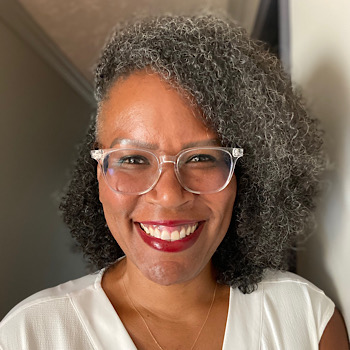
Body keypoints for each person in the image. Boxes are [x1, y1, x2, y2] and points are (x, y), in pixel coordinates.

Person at [0, 14, 348, 350]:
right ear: (97, 173)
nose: (168, 195)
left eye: (201, 158)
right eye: (133, 159)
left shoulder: (305, 321)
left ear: (248, 174)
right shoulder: (29, 335)